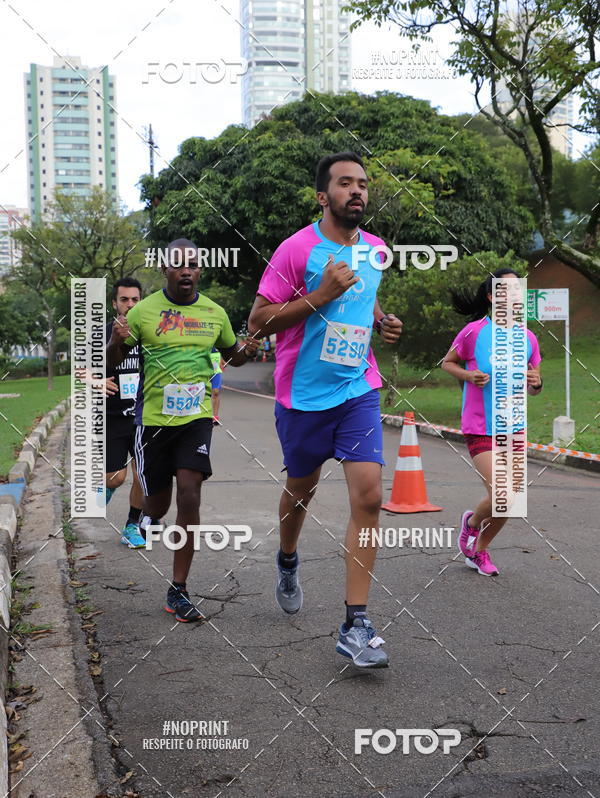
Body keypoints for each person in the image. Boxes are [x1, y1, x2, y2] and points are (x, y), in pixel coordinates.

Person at [248, 152, 402, 668]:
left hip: (358, 388)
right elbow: (259, 321)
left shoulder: (377, 250)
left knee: (370, 495)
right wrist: (319, 295)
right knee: (301, 490)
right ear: (323, 196)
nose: (357, 191)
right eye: (345, 184)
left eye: (362, 184)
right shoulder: (296, 250)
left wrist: (381, 321)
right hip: (305, 398)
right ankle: (287, 557)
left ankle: (355, 623)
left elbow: (366, 298)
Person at [107, 239, 259, 621]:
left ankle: (179, 589)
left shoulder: (214, 312)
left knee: (190, 493)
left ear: (200, 270)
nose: (187, 270)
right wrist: (116, 340)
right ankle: (146, 516)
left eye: (193, 264)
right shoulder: (142, 313)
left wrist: (247, 350)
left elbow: (232, 356)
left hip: (196, 419)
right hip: (154, 423)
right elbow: (112, 361)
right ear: (166, 270)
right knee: (158, 504)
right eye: (179, 265)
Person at [441, 268, 543, 576]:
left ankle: (479, 550)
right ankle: (471, 524)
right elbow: (448, 363)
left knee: (511, 502)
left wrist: (536, 382)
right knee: (503, 495)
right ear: (491, 297)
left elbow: (534, 386)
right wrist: (469, 375)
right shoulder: (474, 332)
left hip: (514, 428)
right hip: (481, 427)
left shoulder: (528, 338)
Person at [102, 277, 146, 549]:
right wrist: (97, 381)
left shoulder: (150, 332)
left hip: (144, 415)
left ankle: (132, 524)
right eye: (124, 300)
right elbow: (82, 371)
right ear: (114, 303)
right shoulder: (103, 332)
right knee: (115, 477)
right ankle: (95, 495)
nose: (129, 305)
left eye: (135, 300)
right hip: (112, 416)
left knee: (143, 473)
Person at [209, 347, 224, 425]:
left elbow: (223, 348)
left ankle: (215, 416)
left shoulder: (217, 337)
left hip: (215, 362)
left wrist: (221, 359)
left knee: (216, 391)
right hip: (203, 363)